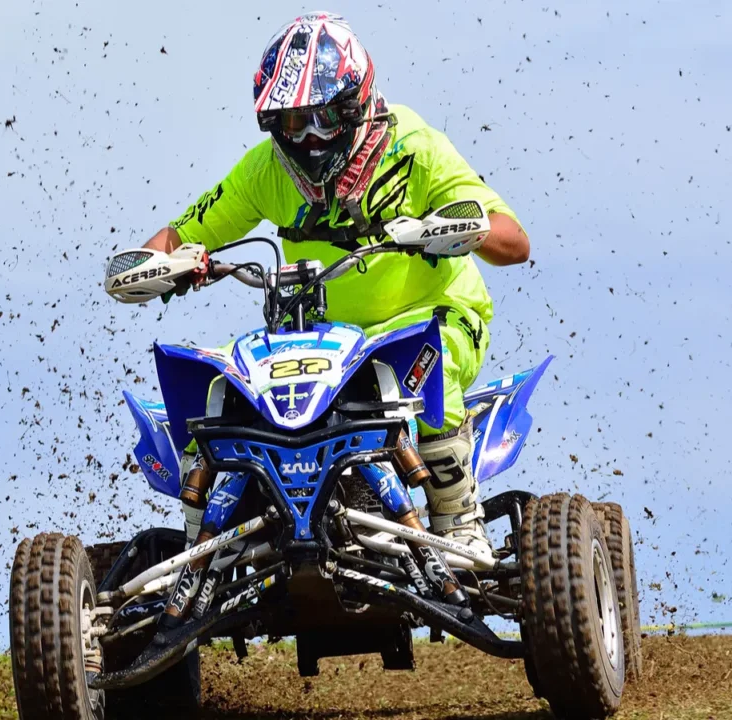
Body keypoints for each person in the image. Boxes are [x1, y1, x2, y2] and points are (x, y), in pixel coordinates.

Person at [137, 11, 529, 555]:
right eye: (294, 124)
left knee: (430, 361)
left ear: (356, 104)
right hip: (324, 340)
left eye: (323, 117)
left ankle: (456, 519)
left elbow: (515, 242)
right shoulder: (266, 171)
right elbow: (181, 232)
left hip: (432, 316)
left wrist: (448, 230)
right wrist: (158, 264)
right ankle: (204, 547)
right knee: (214, 388)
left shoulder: (416, 148)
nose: (311, 138)